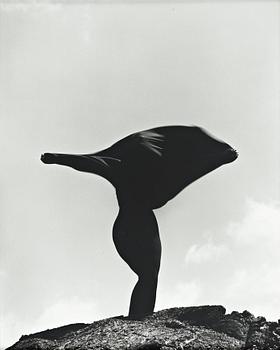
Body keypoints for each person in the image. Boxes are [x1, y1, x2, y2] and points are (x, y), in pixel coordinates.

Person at [41, 125, 238, 320]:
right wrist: (57, 158)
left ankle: (140, 318)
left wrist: (220, 157)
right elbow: (89, 163)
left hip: (137, 225)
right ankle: (138, 320)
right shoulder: (126, 170)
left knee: (149, 277)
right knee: (148, 277)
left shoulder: (154, 178)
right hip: (131, 227)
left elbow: (90, 163)